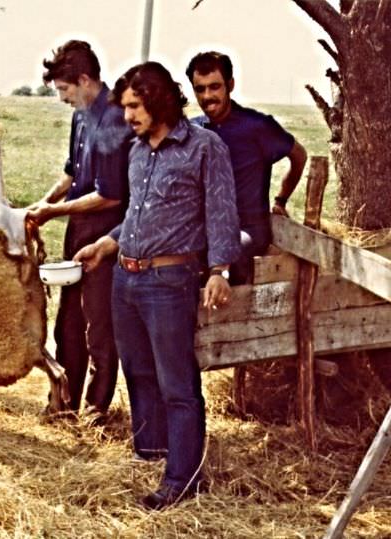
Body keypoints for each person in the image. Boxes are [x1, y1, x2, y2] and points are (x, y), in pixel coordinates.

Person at [75, 62, 240, 510]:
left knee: (177, 384)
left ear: (158, 99)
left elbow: (221, 211)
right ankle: (150, 454)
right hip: (125, 277)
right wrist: (106, 245)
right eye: (125, 107)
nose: (127, 116)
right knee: (138, 372)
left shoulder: (204, 147)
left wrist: (220, 270)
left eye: (134, 106)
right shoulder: (137, 151)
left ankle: (183, 480)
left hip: (170, 280)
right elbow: (137, 215)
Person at [26, 40, 131, 419]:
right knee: (68, 318)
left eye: (65, 90)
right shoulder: (81, 116)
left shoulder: (117, 117)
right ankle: (63, 400)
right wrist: (42, 203)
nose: (63, 99)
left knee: (98, 322)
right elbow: (73, 172)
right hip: (78, 226)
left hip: (107, 231)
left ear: (85, 80)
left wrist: (54, 210)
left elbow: (111, 195)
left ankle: (96, 407)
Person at [186, 51, 307, 284]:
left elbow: (299, 155)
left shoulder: (257, 127)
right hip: (205, 227)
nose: (207, 96)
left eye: (215, 87)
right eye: (200, 89)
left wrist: (281, 200)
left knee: (229, 251)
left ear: (230, 85)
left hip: (247, 229)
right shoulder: (193, 131)